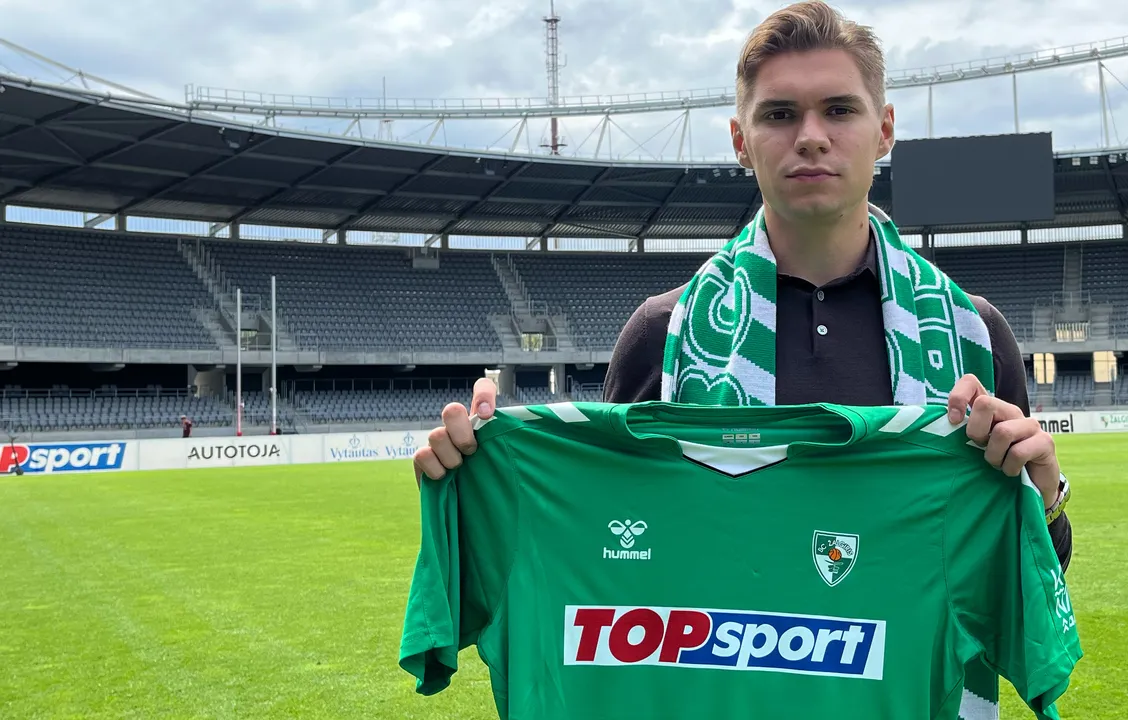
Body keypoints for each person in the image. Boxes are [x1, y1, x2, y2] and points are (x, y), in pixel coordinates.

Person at [414, 1, 1072, 712]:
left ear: (884, 130)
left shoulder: (973, 336)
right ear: (741, 139)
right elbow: (618, 555)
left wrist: (1044, 502)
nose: (811, 137)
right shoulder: (662, 334)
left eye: (839, 110)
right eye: (779, 114)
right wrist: (481, 477)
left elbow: (1016, 591)